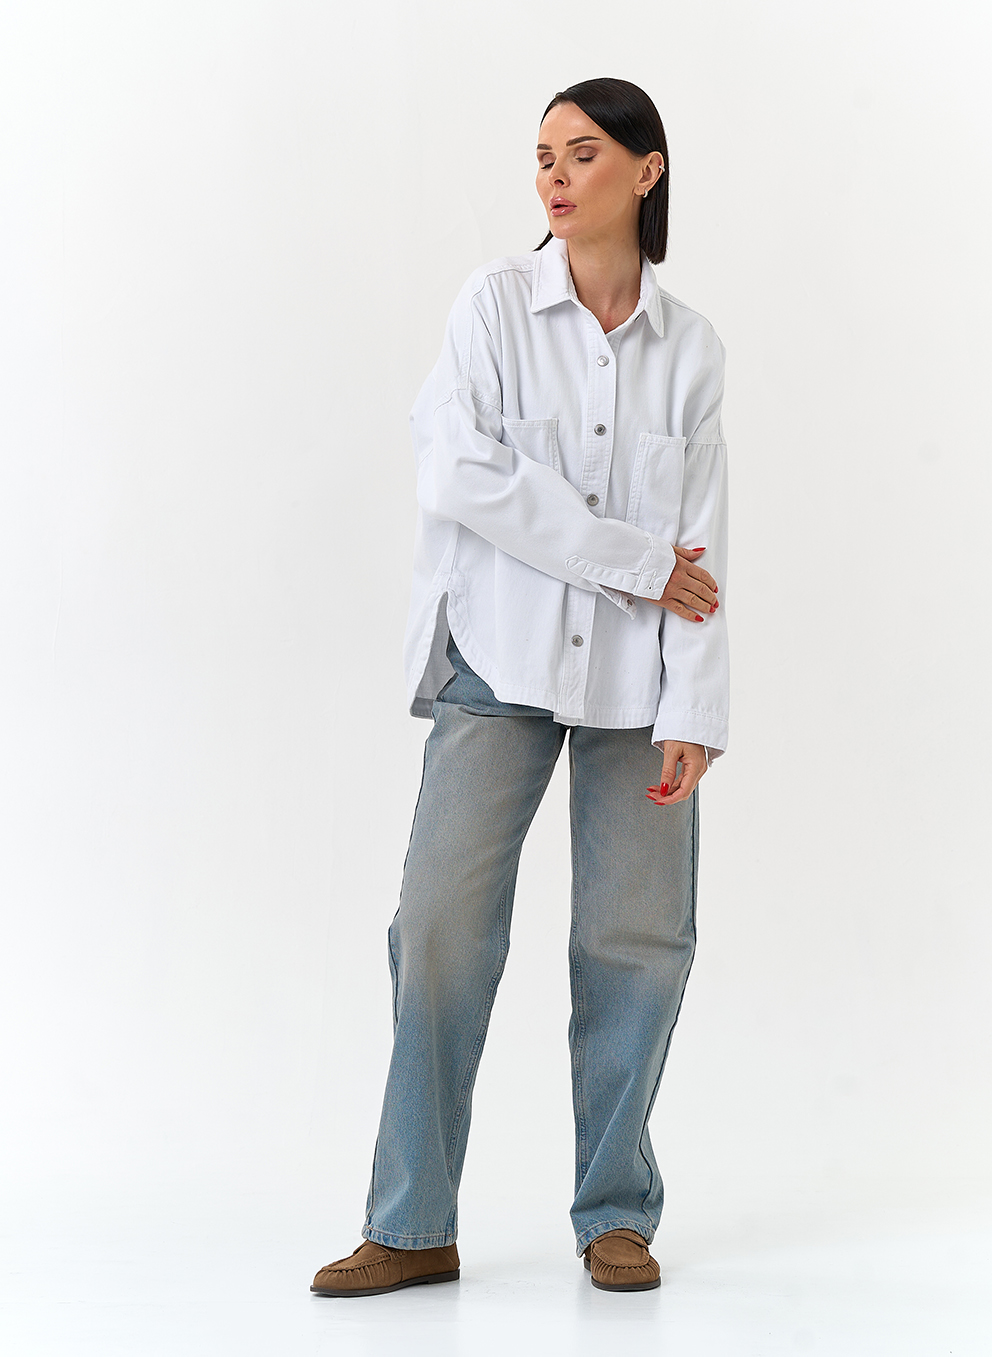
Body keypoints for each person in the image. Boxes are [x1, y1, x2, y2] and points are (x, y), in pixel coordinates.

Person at [311, 76, 729, 1298]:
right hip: (496, 660)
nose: (553, 174)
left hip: (637, 686)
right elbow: (460, 476)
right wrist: (629, 560)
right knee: (437, 927)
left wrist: (694, 710)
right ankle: (411, 1224)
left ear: (644, 171)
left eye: (581, 152)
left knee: (636, 942)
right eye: (542, 154)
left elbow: (705, 554)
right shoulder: (491, 305)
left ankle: (615, 1214)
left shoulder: (690, 348)